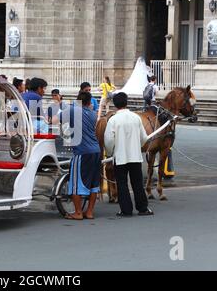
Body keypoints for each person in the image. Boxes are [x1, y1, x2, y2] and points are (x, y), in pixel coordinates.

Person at [52, 91, 101, 220]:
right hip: (96, 151)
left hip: (82, 152)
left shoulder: (72, 110)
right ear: (90, 102)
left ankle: (78, 212)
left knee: (75, 184)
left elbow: (53, 120)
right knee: (94, 185)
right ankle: (89, 212)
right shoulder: (93, 114)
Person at [104, 92, 153, 217]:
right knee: (137, 183)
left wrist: (110, 152)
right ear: (126, 102)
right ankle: (142, 208)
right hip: (135, 155)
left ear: (115, 104)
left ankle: (126, 209)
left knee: (122, 183)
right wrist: (137, 145)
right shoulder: (136, 117)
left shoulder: (113, 119)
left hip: (120, 156)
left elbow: (109, 140)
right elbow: (144, 138)